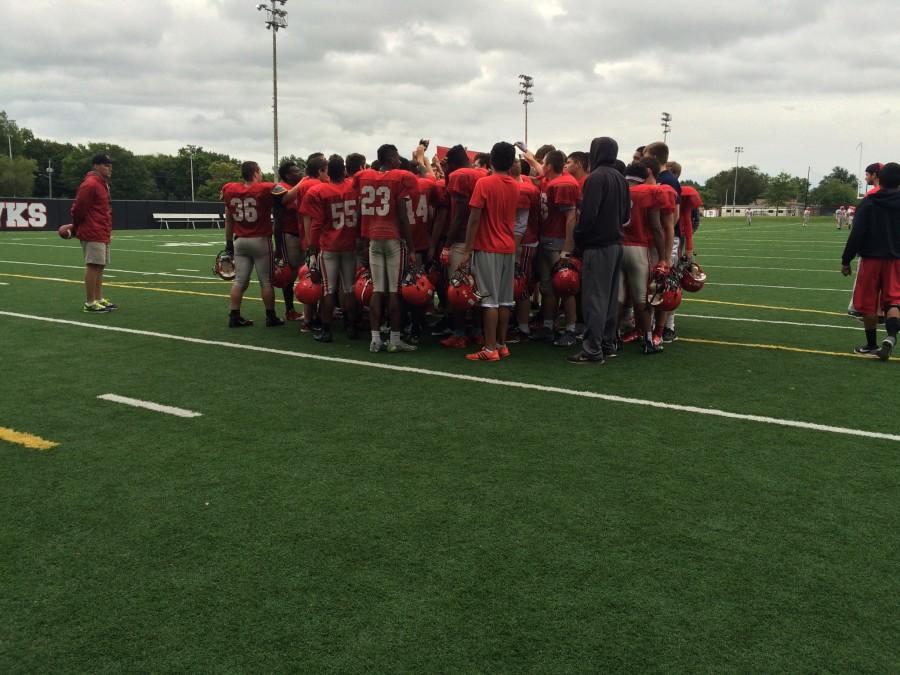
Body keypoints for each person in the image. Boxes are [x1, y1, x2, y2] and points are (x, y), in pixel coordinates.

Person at [567, 137, 630, 364]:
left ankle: (592, 349)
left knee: (594, 297)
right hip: (616, 243)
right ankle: (607, 342)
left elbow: (588, 216)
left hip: (598, 245)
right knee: (610, 297)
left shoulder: (596, 178)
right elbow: (625, 217)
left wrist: (579, 239)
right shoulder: (620, 178)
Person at [353, 144, 418, 353]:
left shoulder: (363, 177)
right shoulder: (399, 177)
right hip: (392, 239)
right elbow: (402, 215)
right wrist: (412, 246)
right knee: (394, 291)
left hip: (373, 238)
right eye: (397, 157)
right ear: (390, 158)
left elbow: (360, 212)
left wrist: (361, 240)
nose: (400, 161)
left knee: (378, 290)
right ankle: (395, 339)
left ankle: (375, 339)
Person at [458, 142, 520, 361]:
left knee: (489, 300)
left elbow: (474, 219)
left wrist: (466, 250)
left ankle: (490, 347)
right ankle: (501, 345)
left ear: (492, 160)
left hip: (488, 246)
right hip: (507, 246)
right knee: (504, 300)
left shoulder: (484, 183)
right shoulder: (515, 185)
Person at [222, 160, 300, 328]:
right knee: (266, 281)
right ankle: (270, 316)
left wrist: (228, 243)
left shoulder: (230, 189)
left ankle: (234, 315)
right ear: (256, 172)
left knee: (240, 282)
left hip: (239, 240)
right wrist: (304, 182)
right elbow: (286, 197)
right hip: (260, 240)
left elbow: (228, 220)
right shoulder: (265, 187)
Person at [841, 162, 900, 361]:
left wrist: (846, 259)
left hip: (872, 259)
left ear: (880, 179)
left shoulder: (869, 201)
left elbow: (857, 233)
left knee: (869, 302)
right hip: (896, 259)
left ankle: (871, 344)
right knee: (894, 300)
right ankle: (891, 336)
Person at [303, 154, 360, 342]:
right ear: (343, 170)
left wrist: (312, 249)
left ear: (328, 172)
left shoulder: (319, 191)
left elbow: (316, 223)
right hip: (350, 245)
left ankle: (327, 330)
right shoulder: (355, 188)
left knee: (328, 289)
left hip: (329, 246)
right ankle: (351, 327)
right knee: (349, 288)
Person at [536, 149, 582, 346]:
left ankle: (570, 330)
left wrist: (567, 249)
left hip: (558, 242)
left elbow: (571, 217)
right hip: (546, 240)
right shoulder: (552, 180)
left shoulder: (564, 183)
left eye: (543, 163)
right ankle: (548, 326)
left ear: (549, 165)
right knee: (547, 288)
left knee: (565, 286)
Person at [71, 153, 116, 313]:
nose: (110, 168)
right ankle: (90, 302)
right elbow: (78, 209)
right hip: (92, 230)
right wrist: (75, 227)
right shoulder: (90, 184)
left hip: (102, 230)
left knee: (100, 266)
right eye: (106, 164)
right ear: (96, 166)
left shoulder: (102, 183)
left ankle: (98, 298)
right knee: (93, 266)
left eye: (110, 165)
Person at [273, 160, 303, 321]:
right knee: (288, 273)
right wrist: (278, 246)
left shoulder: (298, 187)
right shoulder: (280, 188)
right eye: (295, 171)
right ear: (287, 175)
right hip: (288, 234)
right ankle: (289, 310)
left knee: (303, 272)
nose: (299, 173)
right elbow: (277, 219)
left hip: (301, 235)